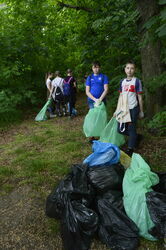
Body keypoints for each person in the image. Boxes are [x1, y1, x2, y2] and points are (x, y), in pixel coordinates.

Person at [115, 61, 144, 156]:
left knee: (131, 129)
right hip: (123, 109)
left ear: (134, 70)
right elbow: (120, 97)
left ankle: (130, 149)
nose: (129, 70)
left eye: (132, 68)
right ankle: (136, 137)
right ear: (125, 69)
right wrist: (117, 110)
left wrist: (141, 111)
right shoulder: (122, 82)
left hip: (133, 108)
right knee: (120, 129)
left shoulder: (137, 81)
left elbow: (139, 97)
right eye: (128, 68)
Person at [85, 61, 109, 142]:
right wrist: (95, 99)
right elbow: (87, 91)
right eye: (94, 67)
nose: (96, 69)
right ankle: (91, 136)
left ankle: (102, 135)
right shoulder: (89, 77)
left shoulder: (104, 76)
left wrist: (100, 99)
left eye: (97, 67)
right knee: (93, 118)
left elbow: (106, 89)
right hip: (92, 101)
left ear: (100, 67)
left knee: (102, 118)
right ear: (92, 68)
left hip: (102, 101)